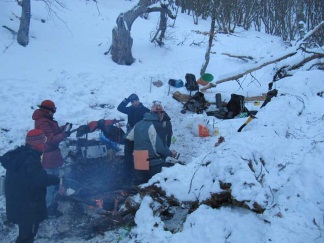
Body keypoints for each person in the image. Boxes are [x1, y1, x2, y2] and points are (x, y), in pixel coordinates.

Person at [0, 129, 61, 243]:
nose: (44, 146)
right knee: (28, 236)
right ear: (37, 144)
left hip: (18, 202)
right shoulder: (31, 159)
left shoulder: (19, 155)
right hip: (29, 205)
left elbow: (30, 178)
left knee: (24, 232)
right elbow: (40, 179)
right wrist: (57, 180)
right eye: (43, 143)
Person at [32, 99, 71, 217]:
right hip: (49, 157)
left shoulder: (45, 120)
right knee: (51, 185)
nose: (54, 113)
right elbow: (51, 140)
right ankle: (48, 210)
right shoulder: (43, 123)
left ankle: (50, 206)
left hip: (52, 156)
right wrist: (64, 135)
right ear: (48, 111)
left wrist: (62, 129)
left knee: (53, 183)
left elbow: (53, 133)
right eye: (53, 111)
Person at [126, 102, 178, 185]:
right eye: (162, 113)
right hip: (153, 162)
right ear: (160, 114)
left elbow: (128, 138)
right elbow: (160, 148)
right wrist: (171, 153)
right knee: (155, 187)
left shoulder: (138, 124)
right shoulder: (155, 125)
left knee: (141, 187)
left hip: (139, 159)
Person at [117, 94, 150, 185]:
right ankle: (126, 178)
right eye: (133, 101)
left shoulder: (145, 111)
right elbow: (119, 108)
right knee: (128, 155)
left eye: (136, 100)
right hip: (130, 135)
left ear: (139, 100)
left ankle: (142, 180)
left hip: (141, 136)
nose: (135, 103)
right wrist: (126, 100)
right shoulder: (130, 109)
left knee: (141, 155)